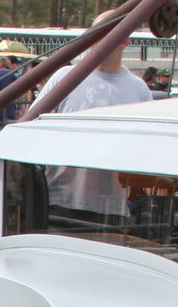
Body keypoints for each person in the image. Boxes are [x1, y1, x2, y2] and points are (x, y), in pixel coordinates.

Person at [39, 12, 152, 218]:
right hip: (60, 204)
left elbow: (147, 148)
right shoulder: (64, 78)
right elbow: (31, 130)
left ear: (125, 41)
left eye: (108, 33)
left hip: (113, 210)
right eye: (96, 34)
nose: (99, 40)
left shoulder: (138, 89)